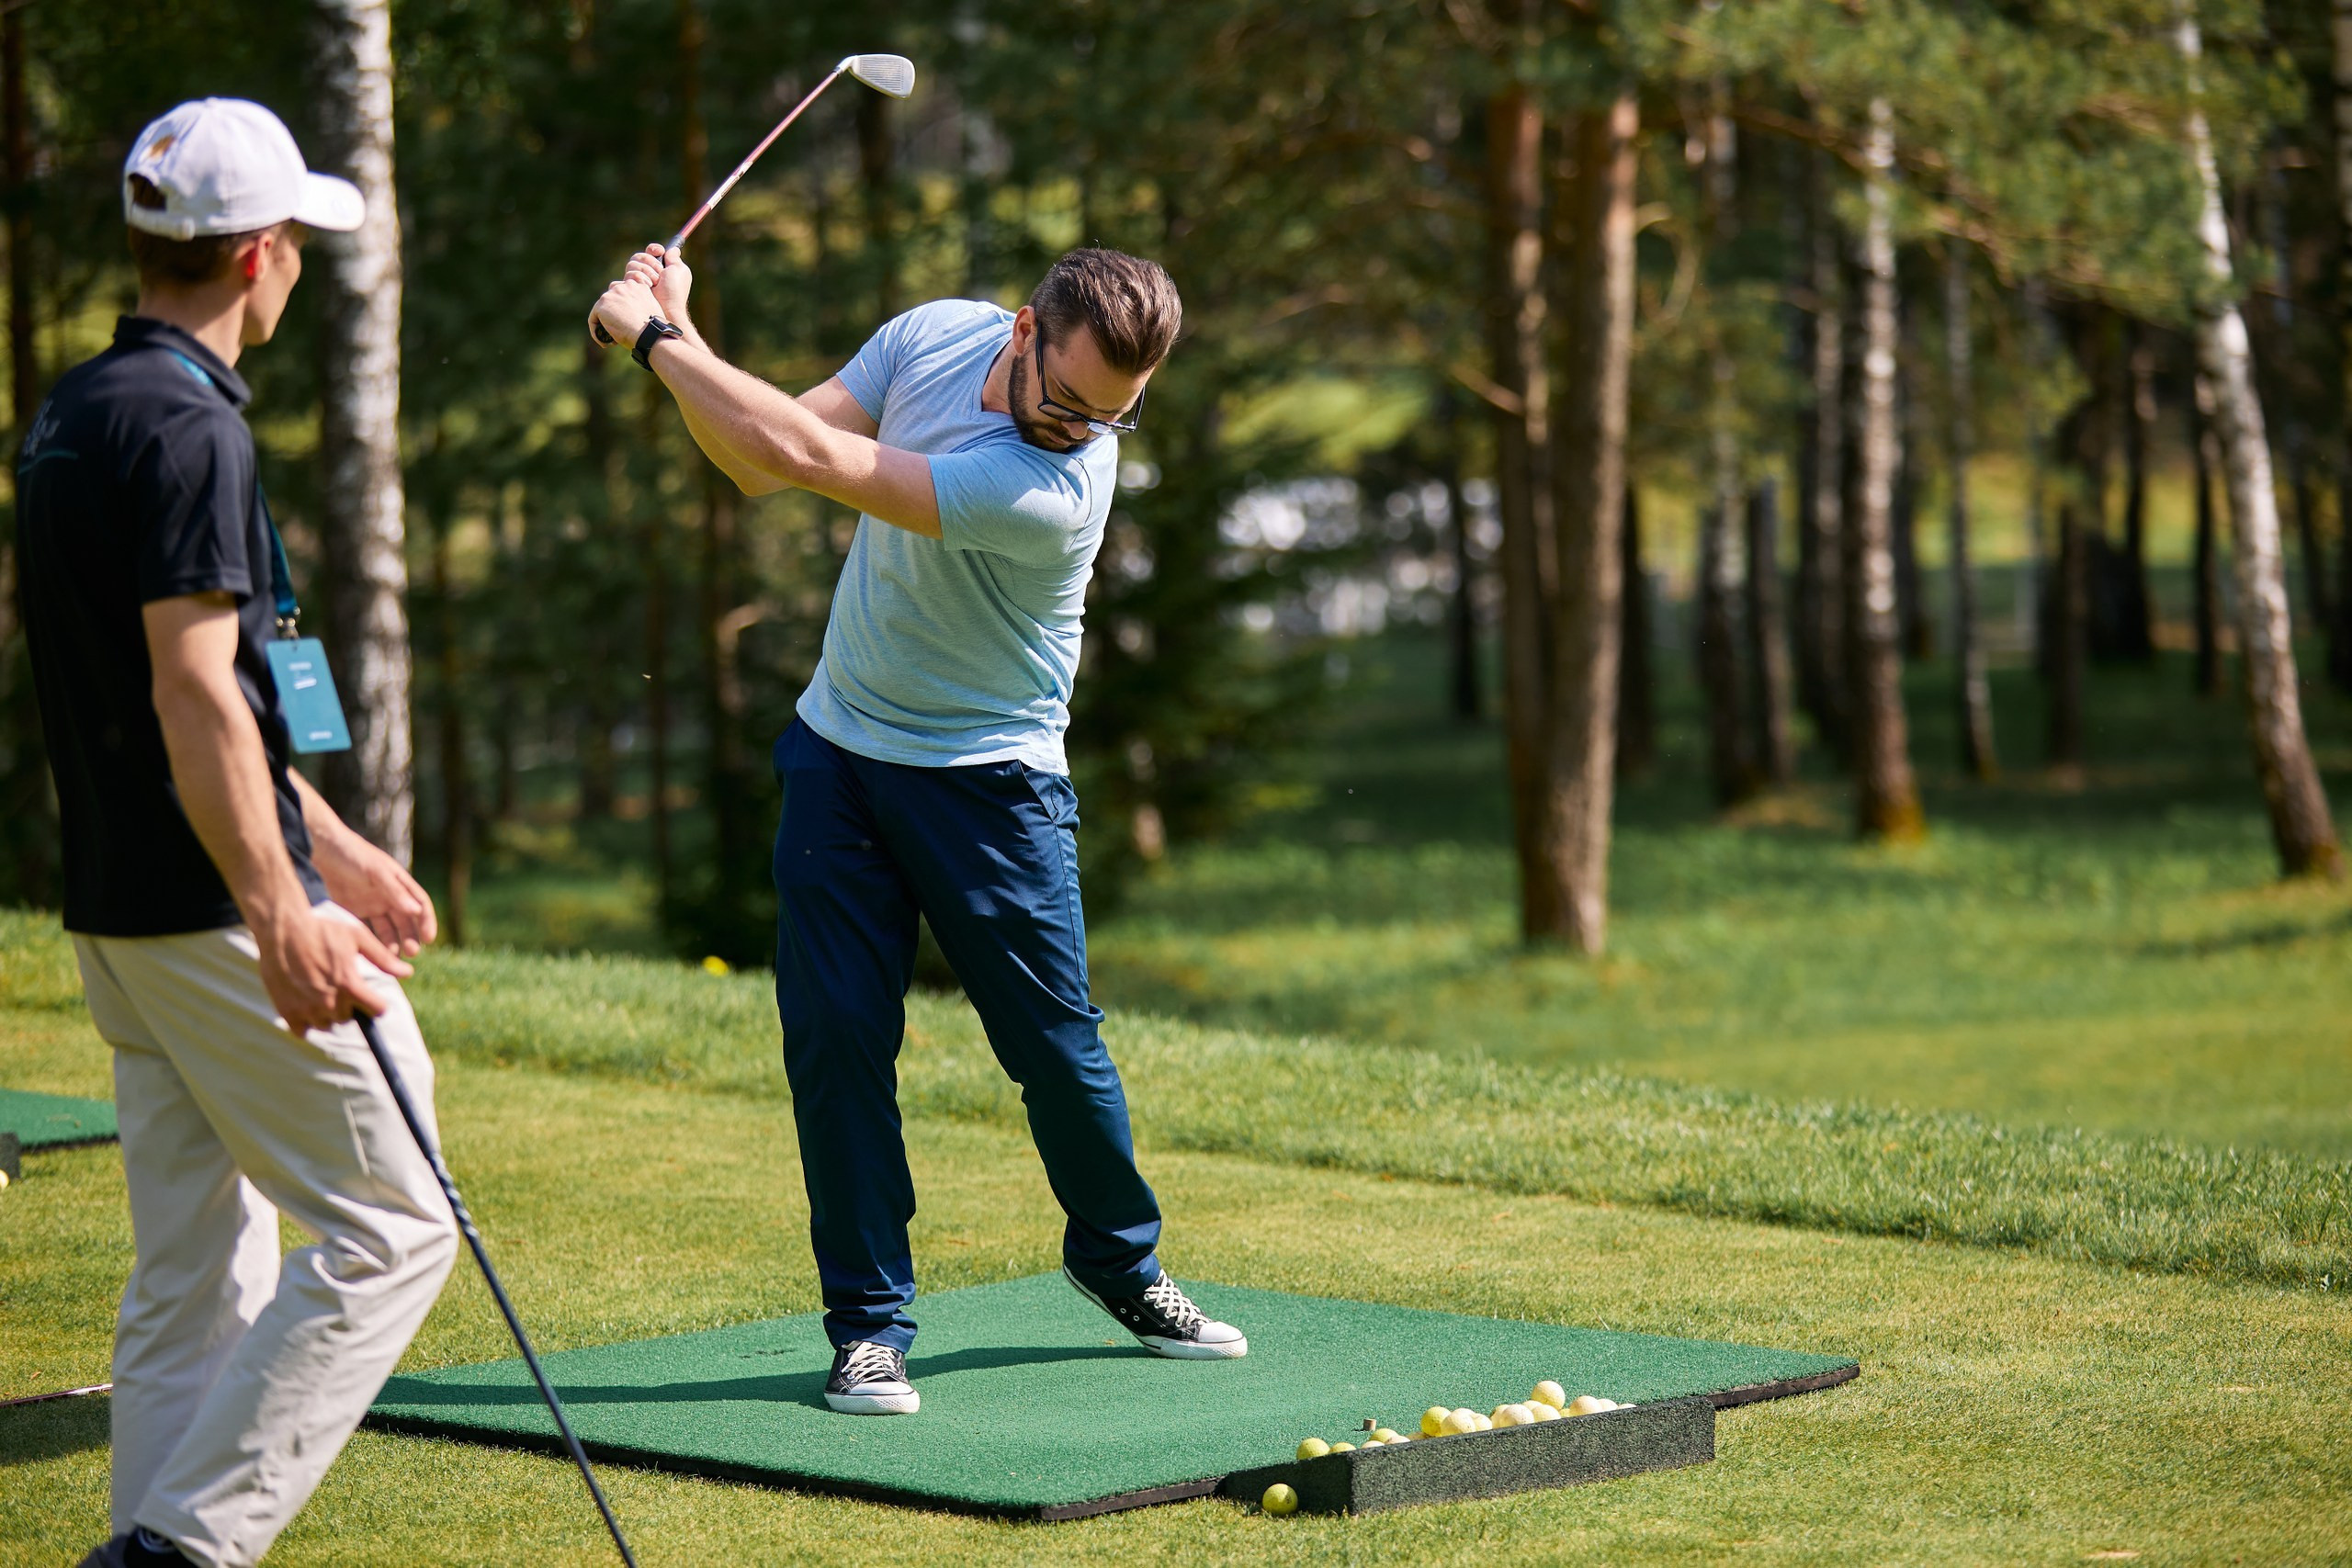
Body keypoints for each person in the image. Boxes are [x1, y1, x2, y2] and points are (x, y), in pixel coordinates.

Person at [589, 243, 1247, 1416]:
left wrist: (656, 337)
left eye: (1114, 417)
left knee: (1055, 1046)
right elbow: (757, 462)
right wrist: (677, 334)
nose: (1081, 429)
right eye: (1067, 399)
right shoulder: (932, 337)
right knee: (837, 1042)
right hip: (841, 752)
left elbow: (799, 453)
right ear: (1020, 329)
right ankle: (867, 1330)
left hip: (989, 781)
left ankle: (1119, 1263)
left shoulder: (1052, 487)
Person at [15, 99, 458, 1567]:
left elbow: (226, 695)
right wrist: (282, 907)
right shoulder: (193, 424)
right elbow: (193, 687)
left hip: (115, 914)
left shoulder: (77, 411)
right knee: (397, 1222)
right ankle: (175, 1550)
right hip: (207, 913)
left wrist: (332, 842)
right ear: (261, 255)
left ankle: (155, 1531)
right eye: (297, 253)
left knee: (197, 1272)